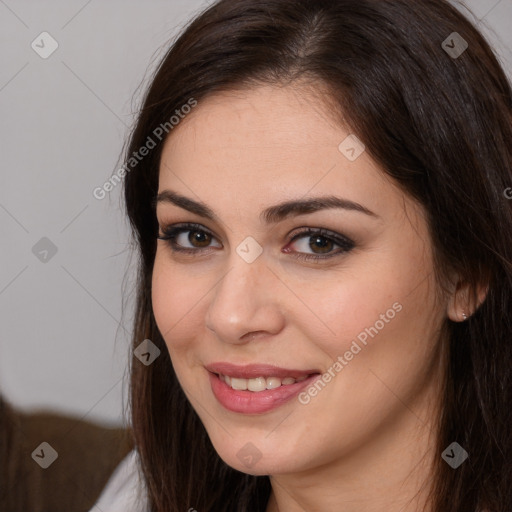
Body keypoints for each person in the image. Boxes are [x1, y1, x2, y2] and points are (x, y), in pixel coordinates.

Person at [93, 0, 512, 510]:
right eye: (194, 237)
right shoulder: (138, 497)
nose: (230, 315)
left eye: (317, 242)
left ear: (468, 272)